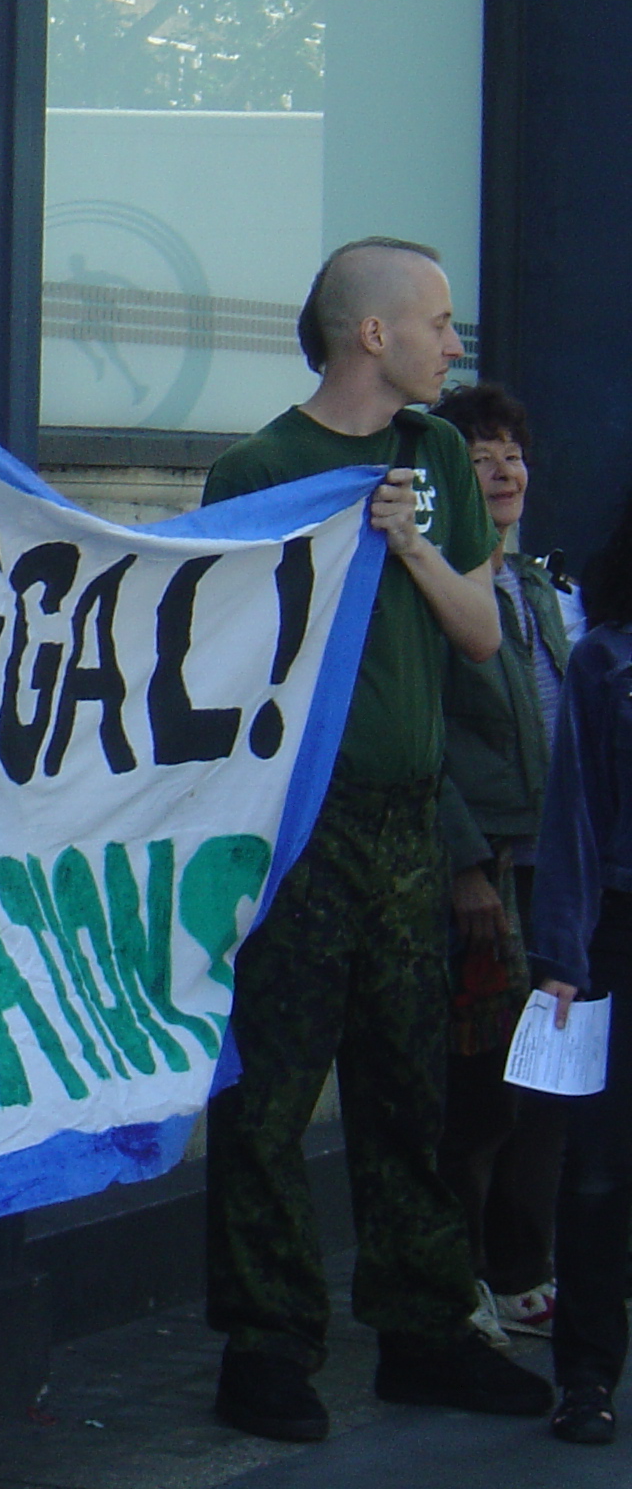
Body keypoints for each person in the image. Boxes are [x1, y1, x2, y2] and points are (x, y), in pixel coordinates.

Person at [201, 237, 549, 1440]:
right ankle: (266, 1347)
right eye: (440, 322)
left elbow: (479, 631)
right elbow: (218, 649)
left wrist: (404, 543)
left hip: (408, 820)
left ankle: (422, 1327)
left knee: (411, 1091)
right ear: (373, 336)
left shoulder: (437, 452)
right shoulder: (260, 465)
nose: (456, 344)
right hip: (298, 826)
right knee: (270, 1101)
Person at [432, 382, 575, 1346]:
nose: (503, 469)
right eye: (479, 454)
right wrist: (465, 864)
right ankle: (457, 1276)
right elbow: (424, 737)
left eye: (512, 452)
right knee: (476, 1089)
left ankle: (526, 1266)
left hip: (552, 876)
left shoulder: (540, 591)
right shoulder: (438, 590)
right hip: (483, 876)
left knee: (548, 1088)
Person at [531, 481, 632, 1443]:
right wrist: (561, 956)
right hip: (619, 942)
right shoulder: (606, 661)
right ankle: (588, 1376)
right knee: (599, 1171)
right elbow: (574, 821)